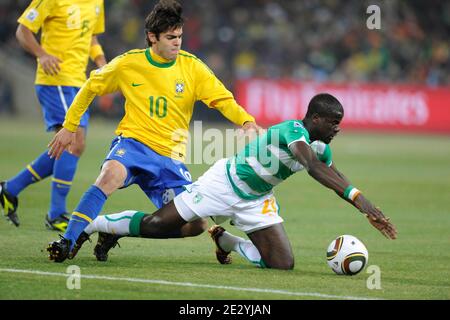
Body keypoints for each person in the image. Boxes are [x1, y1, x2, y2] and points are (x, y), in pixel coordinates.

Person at [48, 93, 397, 268]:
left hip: (257, 199)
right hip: (223, 185)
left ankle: (227, 242)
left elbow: (333, 173)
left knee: (282, 264)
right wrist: (359, 200)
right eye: (333, 122)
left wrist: (365, 205)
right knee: (158, 225)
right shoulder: (292, 130)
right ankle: (98, 225)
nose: (338, 128)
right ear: (316, 118)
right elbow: (315, 169)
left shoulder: (321, 147)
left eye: (340, 123)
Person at [46, 0, 262, 262]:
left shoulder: (192, 67)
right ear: (152, 37)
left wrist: (247, 121)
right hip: (133, 144)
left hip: (171, 157)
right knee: (109, 176)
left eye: (180, 36)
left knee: (196, 225)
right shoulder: (128, 64)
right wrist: (70, 127)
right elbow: (91, 85)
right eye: (170, 37)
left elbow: (222, 99)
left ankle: (113, 227)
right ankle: (67, 241)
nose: (177, 43)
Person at [0, 0, 106, 231]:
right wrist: (42, 55)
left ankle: (10, 189)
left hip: (79, 83)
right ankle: (56, 214)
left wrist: (101, 62)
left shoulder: (97, 2)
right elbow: (23, 30)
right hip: (56, 79)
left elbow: (91, 38)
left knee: (73, 145)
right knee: (73, 142)